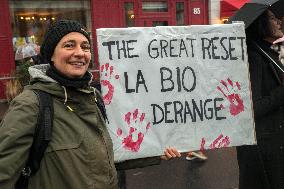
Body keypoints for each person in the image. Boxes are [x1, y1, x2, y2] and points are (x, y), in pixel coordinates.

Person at [0, 20, 180, 189]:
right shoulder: (31, 105)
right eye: (69, 45)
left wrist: (155, 153)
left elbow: (107, 155)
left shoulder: (94, 97)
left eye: (85, 47)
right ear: (51, 56)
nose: (80, 53)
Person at [236, 10, 284, 189]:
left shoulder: (267, 52)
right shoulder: (254, 57)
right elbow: (251, 108)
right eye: (273, 18)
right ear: (261, 24)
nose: (279, 22)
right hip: (263, 151)